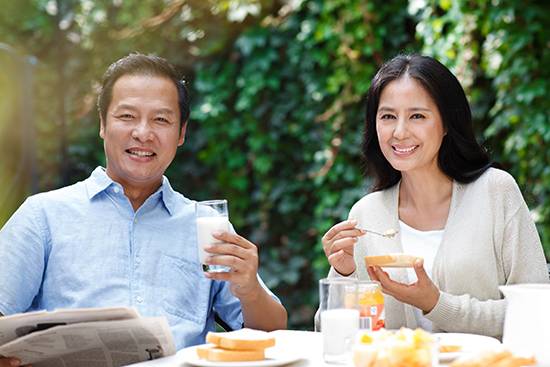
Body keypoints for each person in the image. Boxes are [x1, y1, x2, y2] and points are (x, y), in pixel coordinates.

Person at [0, 53, 287, 366]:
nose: (143, 133)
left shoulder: (206, 225)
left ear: (181, 133)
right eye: (127, 116)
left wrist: (250, 291)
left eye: (161, 119)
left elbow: (273, 334)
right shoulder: (43, 216)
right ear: (102, 124)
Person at [321, 54, 548, 338]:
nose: (400, 132)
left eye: (417, 116)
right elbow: (331, 335)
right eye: (388, 116)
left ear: (446, 125)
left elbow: (537, 313)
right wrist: (344, 277)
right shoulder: (366, 213)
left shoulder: (496, 192)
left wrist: (435, 303)